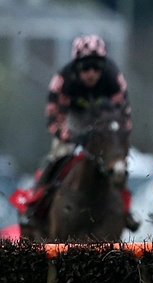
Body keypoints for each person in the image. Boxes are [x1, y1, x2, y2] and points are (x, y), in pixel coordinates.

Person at [37, 34, 139, 231]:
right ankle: (37, 203)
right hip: (72, 122)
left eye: (96, 67)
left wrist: (119, 143)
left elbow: (124, 117)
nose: (91, 73)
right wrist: (72, 137)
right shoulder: (62, 80)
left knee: (117, 165)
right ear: (76, 68)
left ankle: (125, 211)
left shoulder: (114, 78)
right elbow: (53, 119)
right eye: (85, 68)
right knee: (57, 156)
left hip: (105, 125)